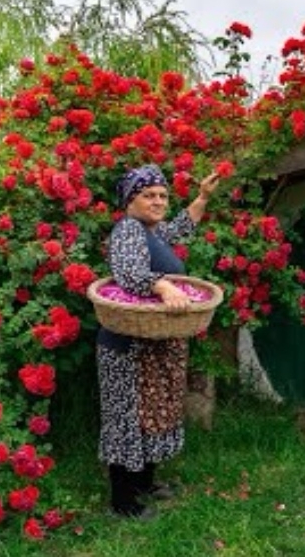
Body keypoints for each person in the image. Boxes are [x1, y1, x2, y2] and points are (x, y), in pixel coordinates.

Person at [97, 163, 221, 519]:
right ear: (129, 201)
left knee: (152, 415)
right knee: (128, 418)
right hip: (128, 347)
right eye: (148, 195)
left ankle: (144, 483)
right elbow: (129, 272)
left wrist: (201, 198)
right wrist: (162, 285)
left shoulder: (152, 232)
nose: (158, 201)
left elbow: (181, 227)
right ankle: (122, 503)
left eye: (163, 196)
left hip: (155, 343)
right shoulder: (128, 231)